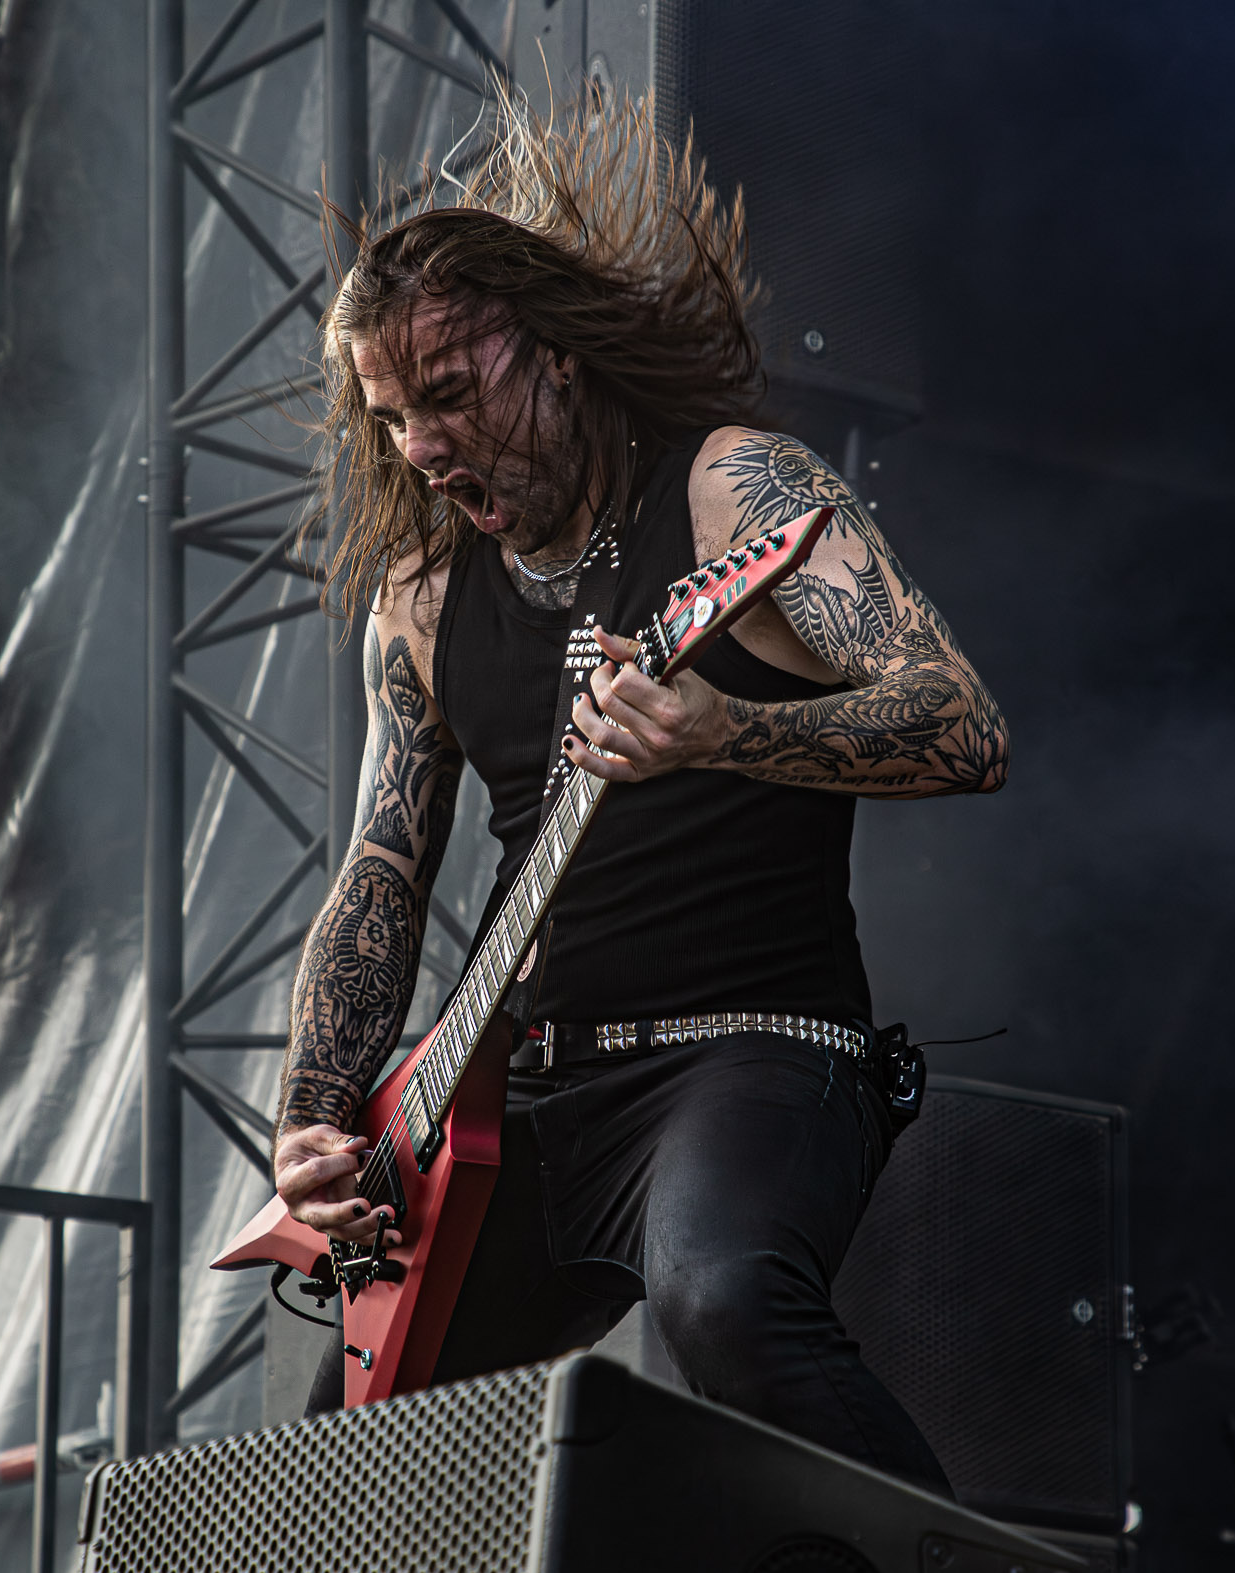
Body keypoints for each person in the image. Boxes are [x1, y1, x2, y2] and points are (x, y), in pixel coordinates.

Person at [270, 98, 1007, 1493]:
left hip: (754, 1051)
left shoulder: (736, 489)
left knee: (723, 1302)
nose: (422, 443)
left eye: (451, 390)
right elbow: (379, 879)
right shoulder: (420, 603)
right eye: (394, 416)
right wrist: (315, 1115)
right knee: (344, 1466)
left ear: (554, 351)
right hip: (519, 1100)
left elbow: (962, 725)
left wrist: (726, 730)